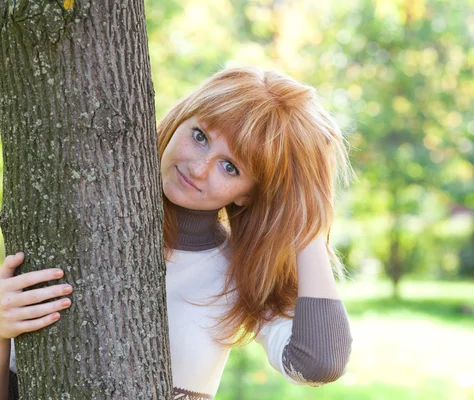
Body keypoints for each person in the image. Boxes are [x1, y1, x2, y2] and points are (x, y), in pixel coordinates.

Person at [0, 66, 353, 400]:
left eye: (230, 167)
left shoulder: (240, 278)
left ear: (248, 194)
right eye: (200, 136)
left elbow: (319, 363)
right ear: (180, 118)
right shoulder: (66, 217)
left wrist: (308, 218)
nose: (198, 168)